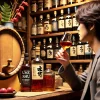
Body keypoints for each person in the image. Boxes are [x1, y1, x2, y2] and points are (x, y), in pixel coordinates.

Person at [55, 1, 100, 100]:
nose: (77, 28)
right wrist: (66, 64)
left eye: (80, 23)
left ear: (91, 25)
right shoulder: (96, 58)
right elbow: (78, 85)